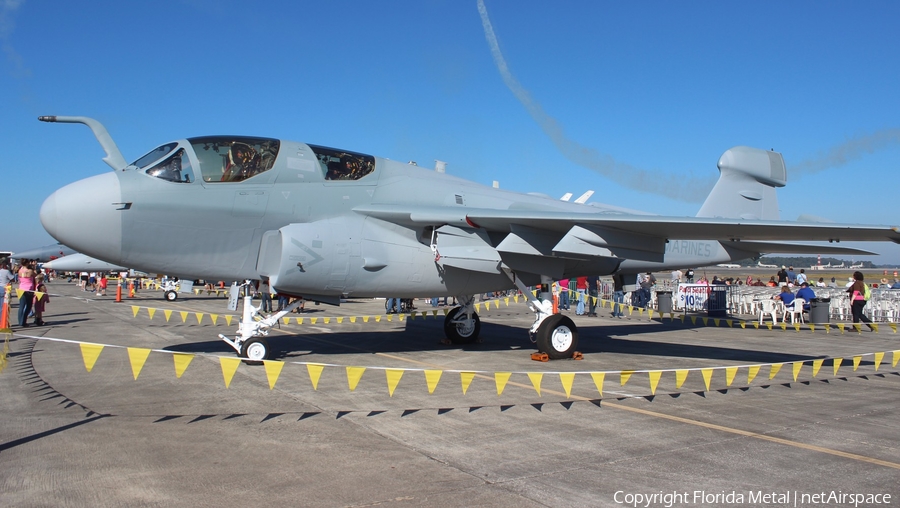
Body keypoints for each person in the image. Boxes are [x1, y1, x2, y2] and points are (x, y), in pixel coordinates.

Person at [17, 260, 36, 327]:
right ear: (27, 263)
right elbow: (34, 275)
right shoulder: (30, 271)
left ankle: (20, 321)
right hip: (28, 289)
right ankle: (24, 321)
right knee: (28, 306)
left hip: (21, 288)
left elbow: (22, 276)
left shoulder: (20, 270)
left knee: (21, 306)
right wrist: (33, 267)